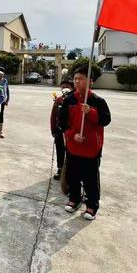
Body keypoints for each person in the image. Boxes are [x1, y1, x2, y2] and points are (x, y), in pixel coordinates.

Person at [58, 64, 111, 221]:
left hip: (91, 149)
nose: (77, 81)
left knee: (91, 178)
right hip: (74, 147)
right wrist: (72, 135)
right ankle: (74, 198)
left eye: (81, 78)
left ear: (90, 82)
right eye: (75, 79)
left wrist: (91, 112)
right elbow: (62, 122)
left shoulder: (98, 101)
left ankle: (92, 205)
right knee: (73, 175)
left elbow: (106, 120)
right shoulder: (69, 100)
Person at [50, 79, 74, 180]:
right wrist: (53, 130)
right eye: (63, 86)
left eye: (67, 86)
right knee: (60, 150)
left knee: (71, 153)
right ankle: (60, 169)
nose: (64, 88)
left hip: (71, 131)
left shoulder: (75, 99)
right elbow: (53, 115)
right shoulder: (58, 100)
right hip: (60, 130)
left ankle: (71, 172)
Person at [0, 68, 10, 138]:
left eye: (2, 74)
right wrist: (0, 86)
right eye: (0, 73)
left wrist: (7, 100)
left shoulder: (5, 81)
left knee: (1, 114)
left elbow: (7, 90)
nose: (1, 75)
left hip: (3, 101)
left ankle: (1, 131)